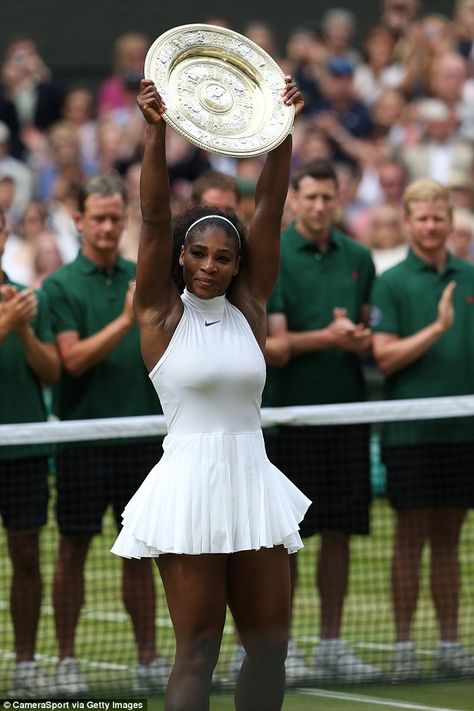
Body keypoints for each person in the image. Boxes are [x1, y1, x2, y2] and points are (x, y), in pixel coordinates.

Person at [111, 77, 310, 711]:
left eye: (224, 257)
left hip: (253, 476)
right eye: (198, 253)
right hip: (190, 482)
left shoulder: (249, 305)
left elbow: (271, 209)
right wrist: (153, 131)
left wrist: (281, 132)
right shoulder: (156, 315)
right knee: (198, 649)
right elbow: (152, 216)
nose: (209, 265)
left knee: (271, 643)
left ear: (237, 264)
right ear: (180, 256)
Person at [42, 173, 170, 695]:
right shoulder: (59, 286)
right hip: (82, 441)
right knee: (71, 551)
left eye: (116, 218)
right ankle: (67, 660)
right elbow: (71, 361)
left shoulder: (142, 277)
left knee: (140, 555)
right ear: (79, 221)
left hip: (141, 441)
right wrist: (126, 321)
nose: (108, 226)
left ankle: (147, 658)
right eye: (98, 217)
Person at [266, 158, 383, 681]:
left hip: (347, 415)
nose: (318, 206)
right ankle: (275, 648)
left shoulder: (359, 256)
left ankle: (332, 644)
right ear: (296, 200)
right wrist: (328, 339)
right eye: (309, 197)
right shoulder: (275, 254)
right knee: (283, 540)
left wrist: (357, 340)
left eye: (326, 197)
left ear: (339, 199)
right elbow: (276, 347)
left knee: (339, 532)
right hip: (289, 420)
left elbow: (365, 329)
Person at [370, 178, 474, 680]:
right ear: (409, 223)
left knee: (450, 541)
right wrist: (436, 327)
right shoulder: (390, 283)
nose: (432, 227)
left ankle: (452, 644)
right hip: (409, 436)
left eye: (439, 218)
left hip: (461, 435)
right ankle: (405, 647)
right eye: (423, 219)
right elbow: (384, 357)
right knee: (410, 539)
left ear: (450, 222)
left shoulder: (470, 277)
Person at [0, 206, 60, 695]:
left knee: (27, 556)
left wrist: (20, 328)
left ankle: (24, 663)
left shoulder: (22, 298)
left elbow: (52, 372)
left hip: (23, 450)